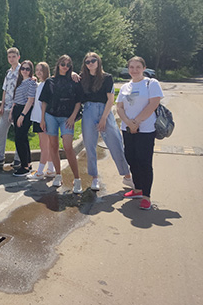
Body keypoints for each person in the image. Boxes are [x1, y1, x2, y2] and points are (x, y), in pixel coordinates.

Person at [80, 52, 133, 191]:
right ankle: (94, 178)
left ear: (98, 61)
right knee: (90, 145)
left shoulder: (106, 78)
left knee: (115, 142)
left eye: (93, 60)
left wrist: (103, 118)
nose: (90, 63)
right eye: (87, 62)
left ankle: (127, 176)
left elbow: (110, 100)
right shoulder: (82, 78)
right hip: (88, 111)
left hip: (105, 110)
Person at [116, 56, 163, 210]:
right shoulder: (125, 87)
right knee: (131, 158)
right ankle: (137, 189)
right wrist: (129, 123)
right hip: (127, 129)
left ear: (144, 68)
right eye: (131, 67)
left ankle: (146, 196)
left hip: (146, 130)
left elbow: (153, 104)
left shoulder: (151, 83)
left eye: (138, 67)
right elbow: (119, 107)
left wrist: (136, 122)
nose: (134, 70)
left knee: (144, 161)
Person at [39, 55, 83, 193]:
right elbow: (44, 101)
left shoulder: (74, 81)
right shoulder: (50, 81)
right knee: (53, 145)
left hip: (67, 117)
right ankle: (58, 175)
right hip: (51, 116)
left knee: (68, 146)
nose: (65, 67)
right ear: (58, 65)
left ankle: (77, 179)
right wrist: (42, 119)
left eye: (68, 65)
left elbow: (78, 102)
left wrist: (73, 117)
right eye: (63, 64)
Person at [0, 47, 21, 167]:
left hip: (17, 107)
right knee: (1, 132)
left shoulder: (22, 71)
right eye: (9, 57)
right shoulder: (8, 72)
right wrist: (2, 106)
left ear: (18, 57)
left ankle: (18, 159)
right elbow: (4, 90)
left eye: (14, 56)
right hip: (6, 108)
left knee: (19, 134)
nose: (11, 59)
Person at [27, 62, 56, 180]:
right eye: (37, 70)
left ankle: (39, 172)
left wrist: (43, 119)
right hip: (38, 118)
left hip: (43, 119)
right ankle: (50, 169)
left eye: (41, 70)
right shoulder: (40, 84)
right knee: (45, 145)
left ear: (46, 71)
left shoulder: (48, 84)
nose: (39, 72)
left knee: (44, 146)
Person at [10, 60, 37, 177]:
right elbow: (16, 99)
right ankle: (27, 163)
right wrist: (12, 112)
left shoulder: (32, 83)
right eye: (23, 68)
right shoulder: (20, 82)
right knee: (23, 138)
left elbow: (30, 100)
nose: (25, 71)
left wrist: (22, 115)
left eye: (27, 69)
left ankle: (24, 167)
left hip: (25, 111)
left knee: (19, 139)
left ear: (31, 71)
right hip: (17, 109)